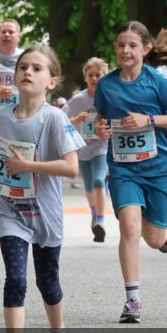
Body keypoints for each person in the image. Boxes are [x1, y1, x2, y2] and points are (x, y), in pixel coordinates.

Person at [0, 46, 85, 333]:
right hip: (10, 211)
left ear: (50, 81)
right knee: (16, 280)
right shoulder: (4, 114)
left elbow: (71, 166)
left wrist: (29, 167)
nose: (28, 72)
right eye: (23, 66)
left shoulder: (55, 118)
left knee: (47, 284)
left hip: (45, 216)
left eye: (37, 68)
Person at [94, 21, 167, 323]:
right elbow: (100, 119)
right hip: (123, 169)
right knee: (129, 228)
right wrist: (100, 129)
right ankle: (132, 299)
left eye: (132, 45)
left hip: (158, 168)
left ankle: (165, 237)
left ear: (145, 49)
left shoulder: (158, 81)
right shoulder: (107, 85)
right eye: (121, 45)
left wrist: (149, 119)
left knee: (152, 238)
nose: (126, 50)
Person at [64, 57, 111, 242]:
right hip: (82, 148)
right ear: (85, 77)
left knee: (99, 181)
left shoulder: (109, 97)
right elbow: (60, 119)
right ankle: (94, 212)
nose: (94, 78)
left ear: (104, 76)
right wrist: (76, 121)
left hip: (101, 146)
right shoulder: (78, 100)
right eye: (91, 75)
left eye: (98, 75)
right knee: (89, 185)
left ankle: (100, 220)